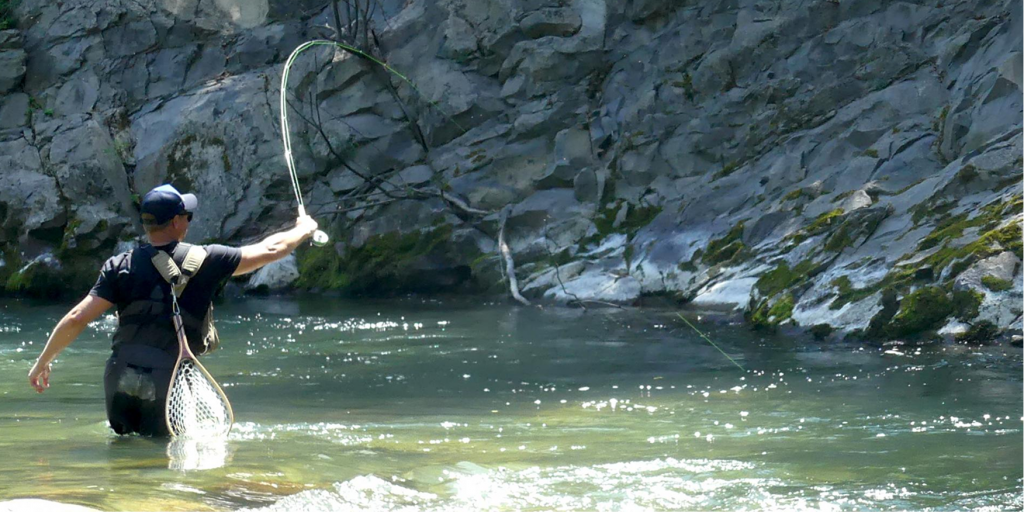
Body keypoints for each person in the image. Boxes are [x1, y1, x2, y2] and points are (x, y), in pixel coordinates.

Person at [27, 184, 320, 436]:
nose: (188, 221)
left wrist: (43, 361)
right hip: (169, 379)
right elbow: (272, 250)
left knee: (125, 451)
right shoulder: (208, 259)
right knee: (169, 456)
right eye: (187, 216)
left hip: (120, 376)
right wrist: (303, 229)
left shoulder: (119, 266)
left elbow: (78, 317)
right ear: (177, 222)